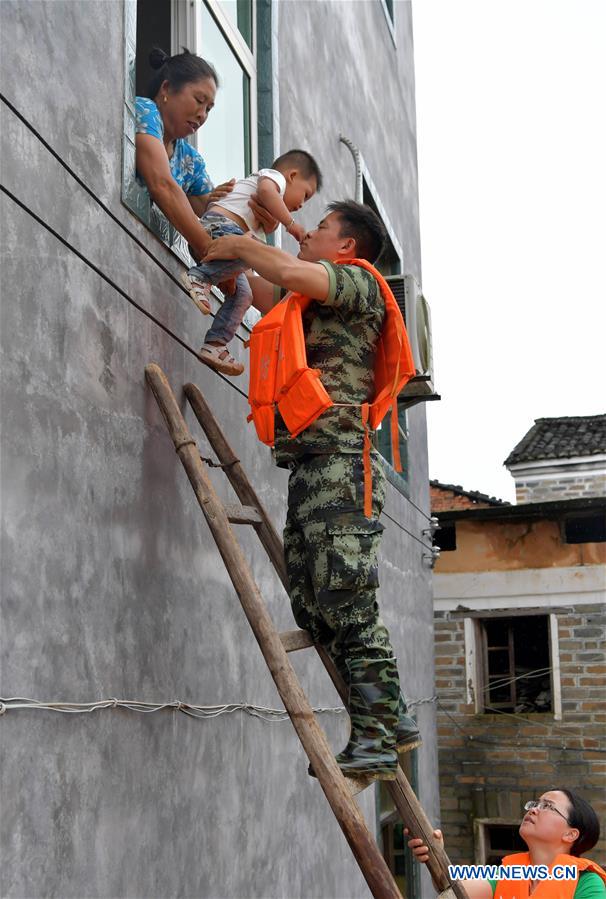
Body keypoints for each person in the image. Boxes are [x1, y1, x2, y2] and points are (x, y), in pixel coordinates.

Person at [202, 200, 422, 780]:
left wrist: (242, 243)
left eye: (319, 228)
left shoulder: (358, 285)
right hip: (310, 467)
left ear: (346, 246)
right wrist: (211, 238)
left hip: (344, 465)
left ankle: (375, 741)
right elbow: (266, 284)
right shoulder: (308, 301)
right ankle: (394, 715)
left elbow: (279, 268)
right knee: (314, 604)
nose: (305, 233)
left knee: (348, 601)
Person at [134, 47, 276, 357]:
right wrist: (213, 251)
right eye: (199, 101)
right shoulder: (145, 111)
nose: (203, 115)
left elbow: (214, 218)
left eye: (209, 108)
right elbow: (163, 185)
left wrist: (253, 226)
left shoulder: (190, 159)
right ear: (167, 89)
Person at [180, 149, 322, 376]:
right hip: (220, 226)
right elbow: (266, 192)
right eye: (306, 195)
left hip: (226, 245)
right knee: (253, 252)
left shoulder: (265, 216)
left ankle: (215, 344)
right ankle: (199, 277)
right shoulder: (274, 178)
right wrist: (290, 224)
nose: (302, 205)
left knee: (244, 295)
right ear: (292, 176)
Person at [407, 789, 606, 898]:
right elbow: (452, 889)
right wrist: (435, 853)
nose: (534, 809)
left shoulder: (587, 883)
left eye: (547, 806)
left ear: (570, 834)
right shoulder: (508, 872)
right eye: (535, 804)